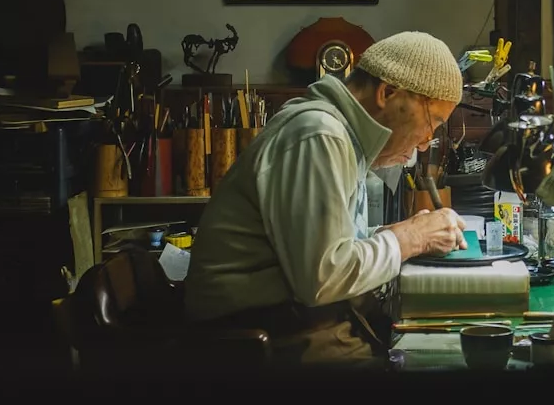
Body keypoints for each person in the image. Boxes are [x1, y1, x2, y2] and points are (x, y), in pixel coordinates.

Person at [184, 31, 468, 368]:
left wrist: (394, 235)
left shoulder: (339, 134)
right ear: (389, 93)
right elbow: (322, 277)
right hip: (256, 332)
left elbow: (327, 250)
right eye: (432, 122)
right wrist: (411, 238)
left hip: (290, 317)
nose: (425, 142)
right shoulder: (319, 135)